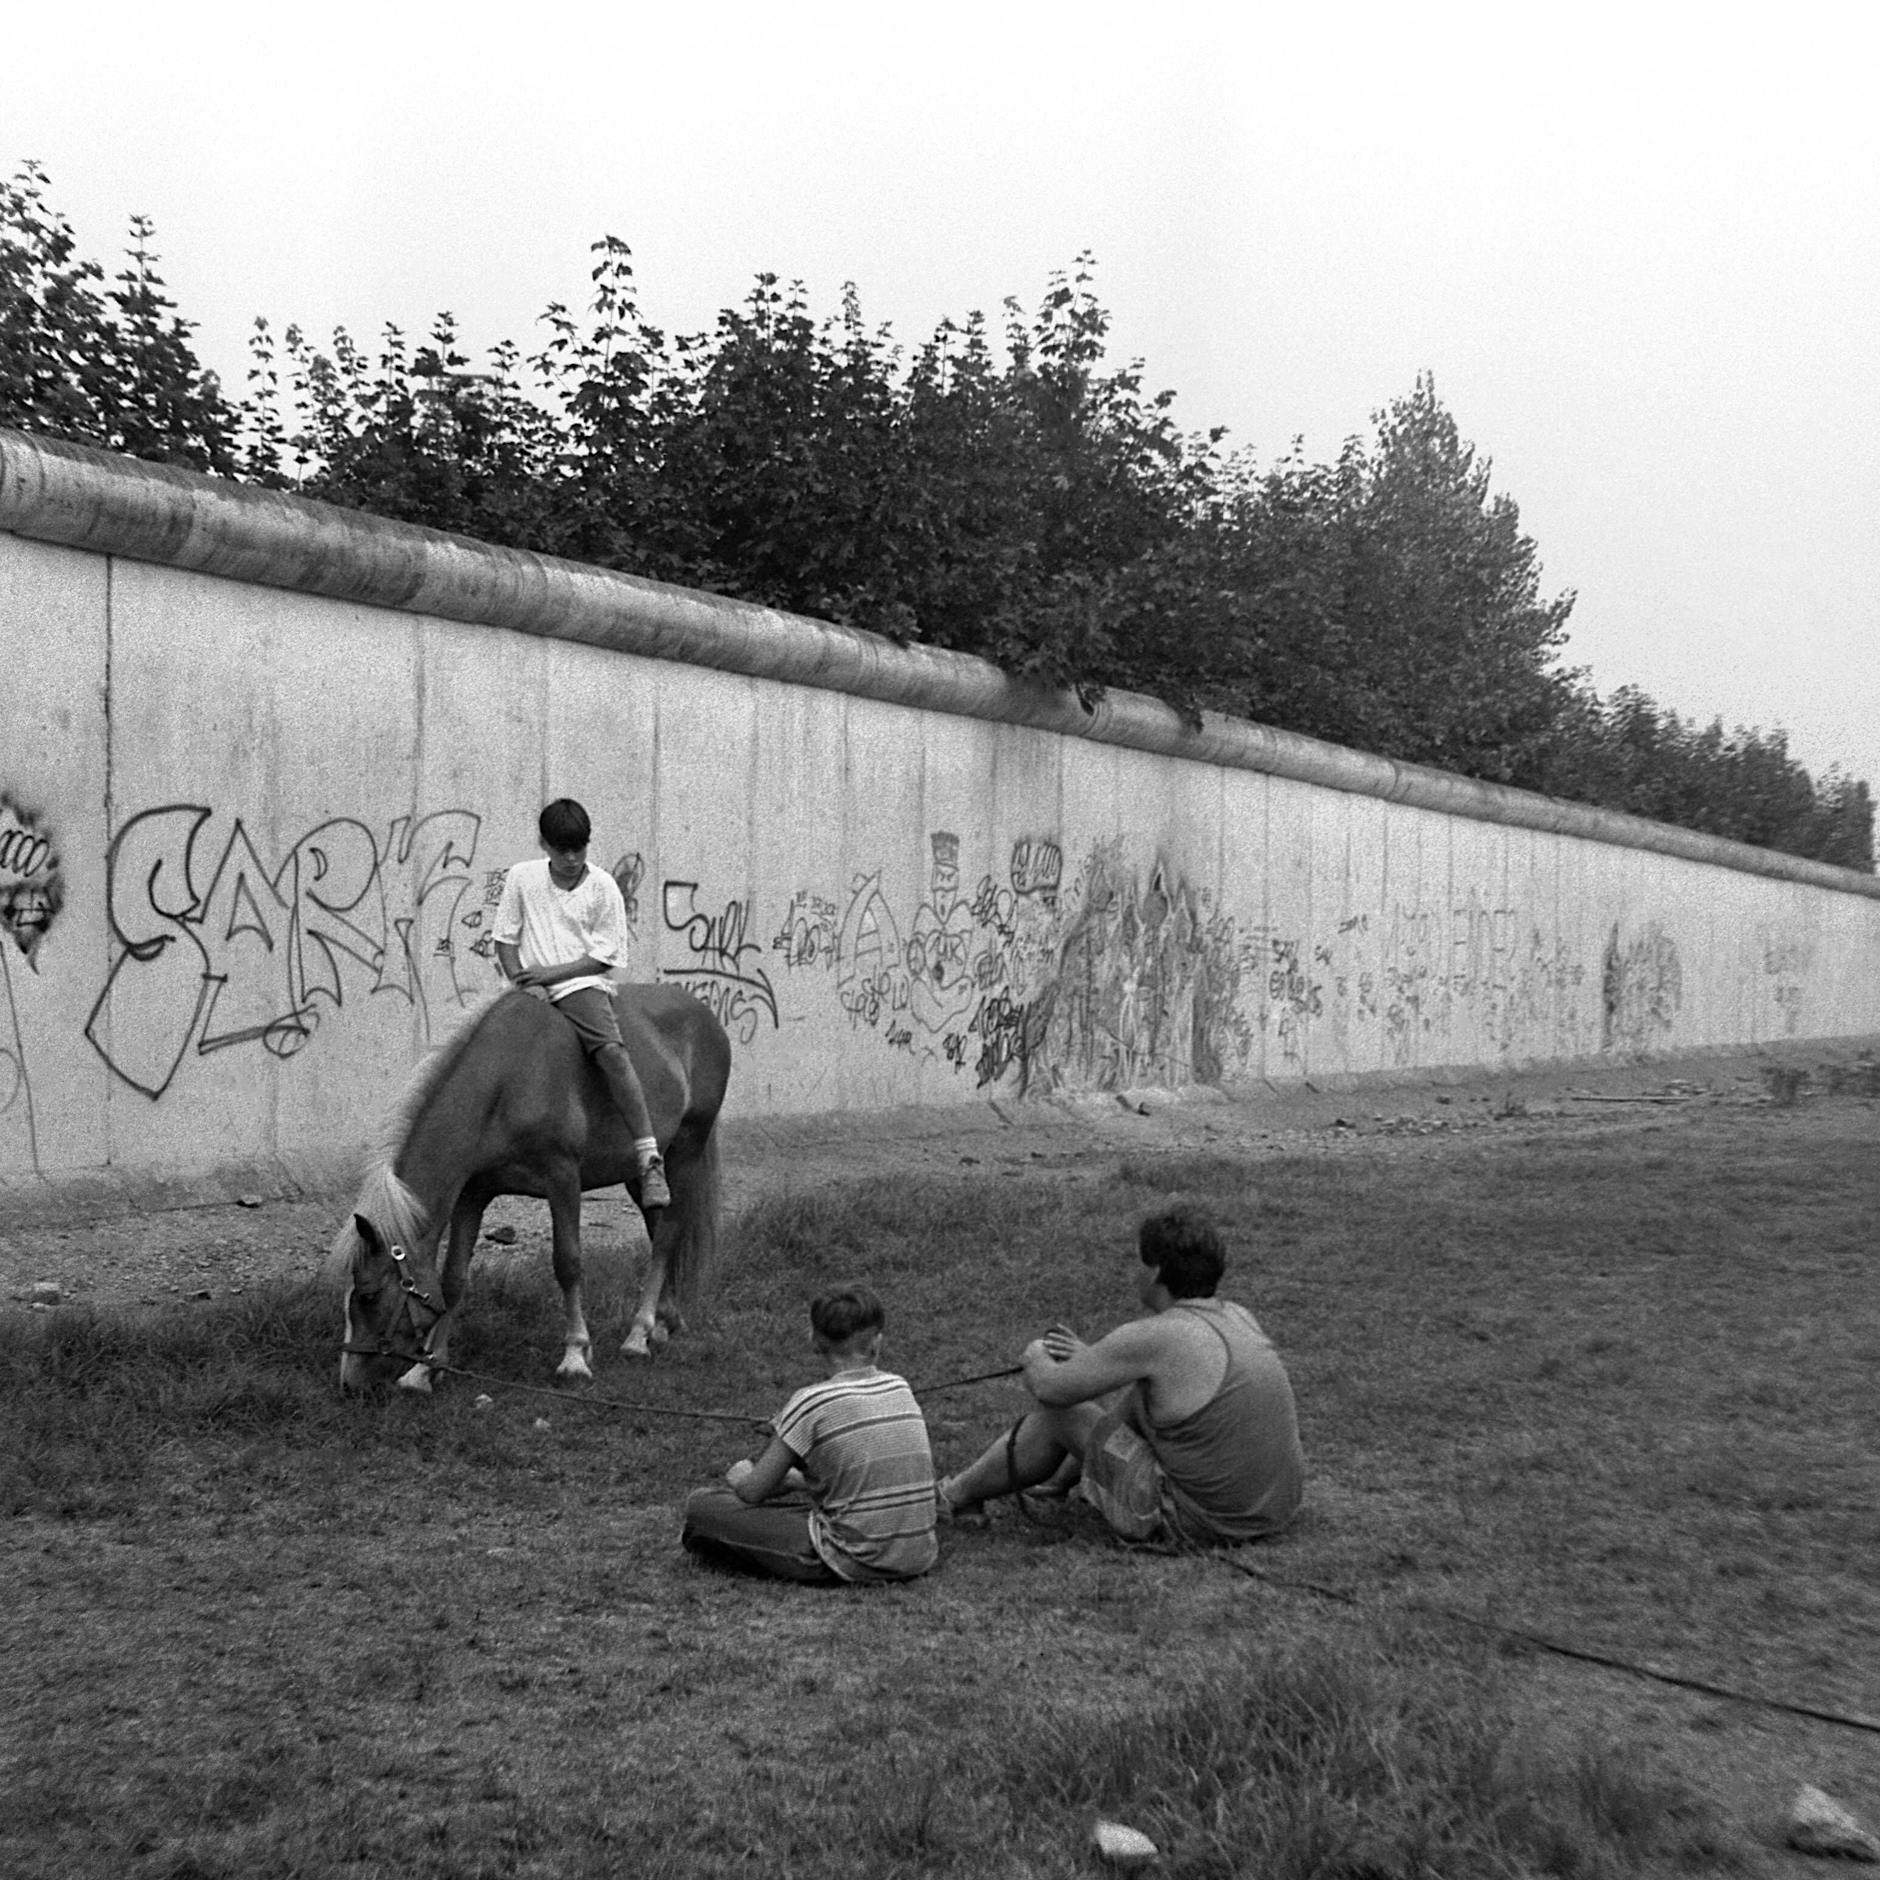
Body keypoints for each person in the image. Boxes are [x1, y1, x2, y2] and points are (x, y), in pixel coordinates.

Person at [936, 1206, 1304, 1547]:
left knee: (1063, 1414)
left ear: (1156, 1271)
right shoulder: (1237, 1316)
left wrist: (1035, 1356)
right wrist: (1097, 1361)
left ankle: (954, 1496)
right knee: (1141, 1401)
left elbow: (1051, 1390)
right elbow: (1161, 1401)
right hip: (1271, 1511)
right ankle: (1061, 1482)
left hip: (1199, 1524)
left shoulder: (1157, 1336)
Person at [680, 1287, 939, 1585]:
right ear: (876, 1343)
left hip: (848, 1560)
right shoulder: (900, 1386)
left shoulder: (809, 1402)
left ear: (813, 1339)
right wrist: (794, 1480)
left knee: (702, 1504)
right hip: (918, 1555)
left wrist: (741, 1475)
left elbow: (753, 1492)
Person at [492, 797, 669, 1209]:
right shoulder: (522, 878)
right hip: (528, 986)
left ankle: (648, 1157)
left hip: (579, 984)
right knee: (478, 1052)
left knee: (611, 1052)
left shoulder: (603, 886)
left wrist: (548, 977)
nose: (571, 858)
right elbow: (504, 939)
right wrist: (522, 981)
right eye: (561, 849)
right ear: (544, 845)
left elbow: (604, 957)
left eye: (579, 848)